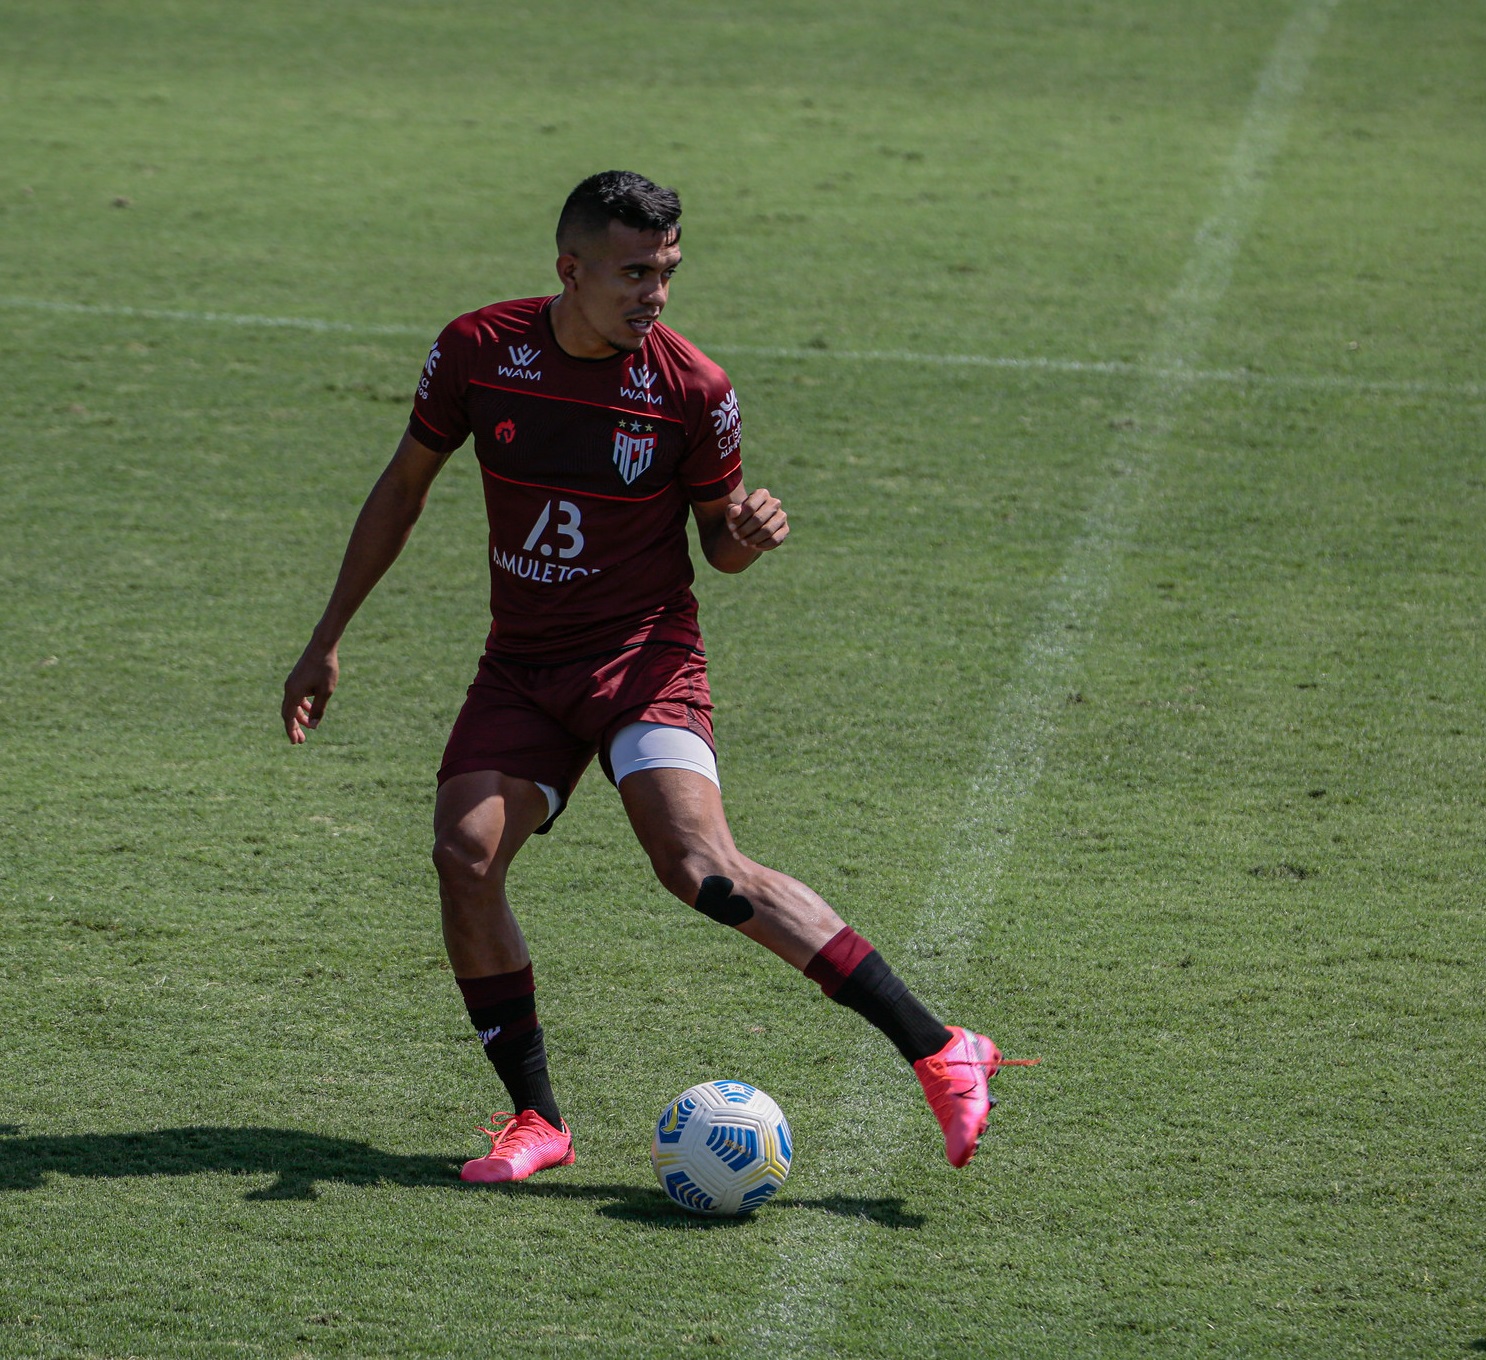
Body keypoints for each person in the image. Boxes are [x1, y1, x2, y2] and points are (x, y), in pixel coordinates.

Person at [281, 171, 1020, 1184]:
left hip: (641, 658)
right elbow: (404, 485)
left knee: (699, 869)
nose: (655, 294)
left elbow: (715, 544)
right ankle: (536, 1120)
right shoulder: (478, 352)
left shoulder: (692, 390)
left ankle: (938, 1046)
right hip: (524, 662)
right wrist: (328, 635)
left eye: (667, 272)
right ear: (569, 269)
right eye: (634, 273)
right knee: (464, 855)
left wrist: (748, 538)